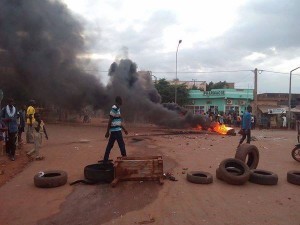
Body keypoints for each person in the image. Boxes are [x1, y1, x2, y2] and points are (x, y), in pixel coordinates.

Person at [103, 96, 128, 162]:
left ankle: (105, 159)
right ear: (118, 101)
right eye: (121, 100)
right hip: (116, 131)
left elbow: (118, 122)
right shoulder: (114, 108)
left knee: (110, 145)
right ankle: (125, 159)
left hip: (116, 130)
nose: (122, 102)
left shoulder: (118, 109)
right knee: (121, 145)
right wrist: (107, 131)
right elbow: (110, 120)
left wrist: (124, 129)